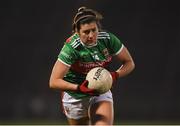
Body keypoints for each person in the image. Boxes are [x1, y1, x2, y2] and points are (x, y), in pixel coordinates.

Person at [49, 6, 135, 125]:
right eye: (86, 32)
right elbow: (54, 82)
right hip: (75, 96)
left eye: (94, 30)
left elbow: (129, 63)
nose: (91, 35)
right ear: (77, 32)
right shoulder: (71, 48)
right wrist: (79, 88)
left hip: (100, 92)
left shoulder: (107, 39)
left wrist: (115, 75)